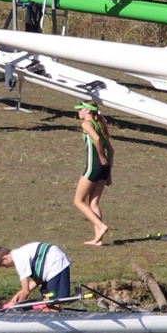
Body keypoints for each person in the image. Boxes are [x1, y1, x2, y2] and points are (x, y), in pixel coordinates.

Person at [0, 240, 74, 308]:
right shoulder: (20, 254)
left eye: (3, 265)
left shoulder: (19, 259)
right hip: (50, 267)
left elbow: (26, 292)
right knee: (46, 300)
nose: (6, 267)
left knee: (53, 302)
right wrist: (19, 293)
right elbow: (38, 280)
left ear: (4, 258)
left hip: (56, 263)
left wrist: (16, 307)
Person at [73, 100, 111, 245]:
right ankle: (98, 240)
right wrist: (108, 172)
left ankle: (101, 226)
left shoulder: (86, 124)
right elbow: (111, 151)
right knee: (94, 203)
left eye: (81, 109)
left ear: (88, 111)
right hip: (104, 168)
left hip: (94, 166)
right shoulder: (100, 124)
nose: (79, 112)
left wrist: (100, 157)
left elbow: (96, 139)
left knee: (78, 201)